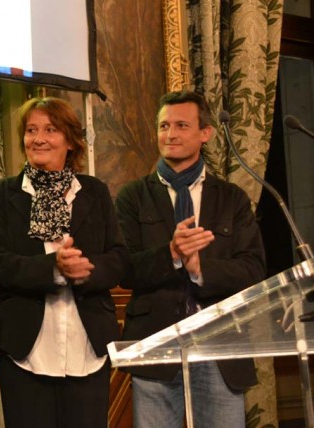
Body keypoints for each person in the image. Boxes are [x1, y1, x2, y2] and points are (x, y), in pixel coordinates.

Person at [115, 90, 266, 428]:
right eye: (164, 125)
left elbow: (253, 269)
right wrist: (171, 253)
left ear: (205, 133)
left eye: (182, 125)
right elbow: (123, 269)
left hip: (220, 344)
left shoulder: (232, 198)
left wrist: (199, 268)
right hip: (156, 344)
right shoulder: (133, 197)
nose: (170, 134)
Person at [0, 96, 129, 428]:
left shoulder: (95, 192)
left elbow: (118, 258)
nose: (38, 138)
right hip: (25, 349)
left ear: (71, 141)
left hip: (87, 345)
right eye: (31, 130)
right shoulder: (1, 194)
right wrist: (53, 268)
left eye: (50, 129)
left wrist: (84, 270)